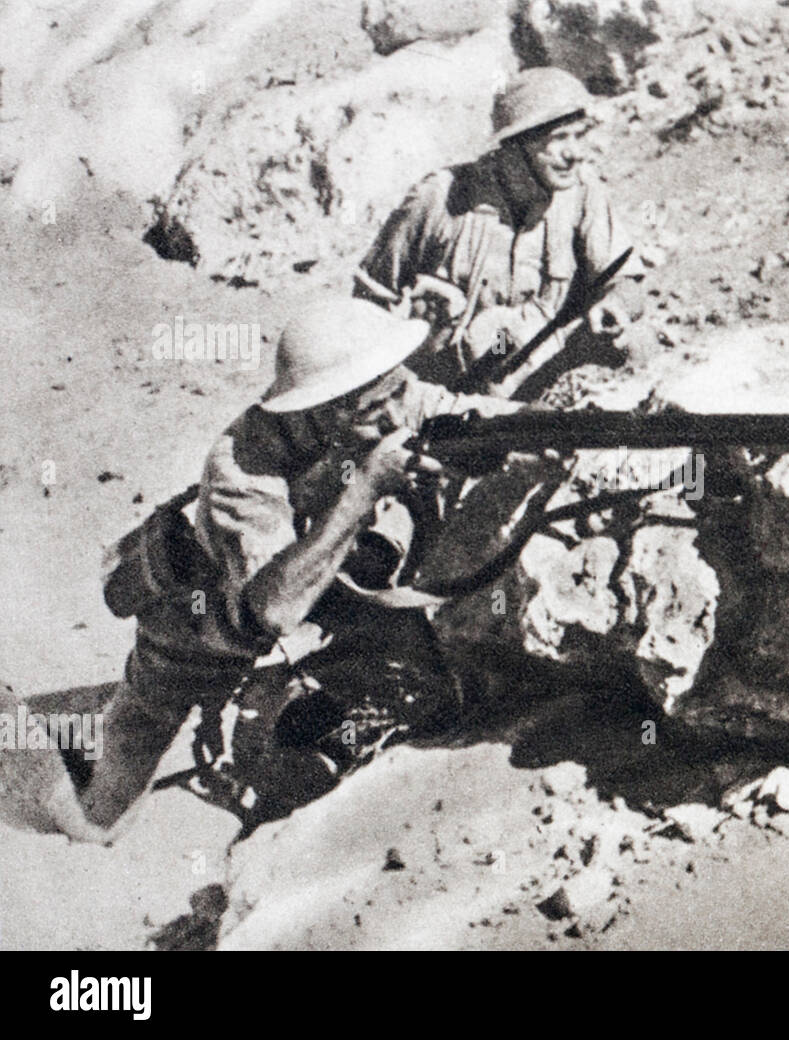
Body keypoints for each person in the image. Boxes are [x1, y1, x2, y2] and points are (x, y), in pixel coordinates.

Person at [72, 298, 517, 838]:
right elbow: (273, 610)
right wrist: (366, 488)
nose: (399, 417)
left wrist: (562, 431)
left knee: (418, 686)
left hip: (325, 588)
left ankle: (296, 784)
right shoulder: (241, 468)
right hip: (206, 620)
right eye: (374, 410)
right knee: (120, 775)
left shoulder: (386, 394)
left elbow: (486, 418)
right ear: (323, 409)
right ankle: (79, 814)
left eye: (400, 392)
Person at [353, 66, 642, 393]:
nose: (575, 153)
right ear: (514, 147)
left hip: (540, 371)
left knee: (636, 347)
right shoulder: (443, 198)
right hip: (451, 385)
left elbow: (625, 279)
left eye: (579, 136)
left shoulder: (582, 192)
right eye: (558, 139)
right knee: (490, 338)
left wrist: (614, 302)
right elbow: (367, 300)